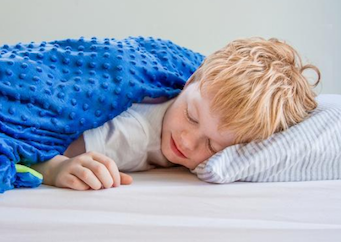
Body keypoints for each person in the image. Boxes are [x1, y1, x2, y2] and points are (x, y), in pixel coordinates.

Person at [30, 37, 321, 191]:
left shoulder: (200, 94)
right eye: (192, 116)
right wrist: (54, 170)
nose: (187, 140)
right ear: (192, 79)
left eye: (212, 146)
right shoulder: (131, 137)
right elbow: (30, 145)